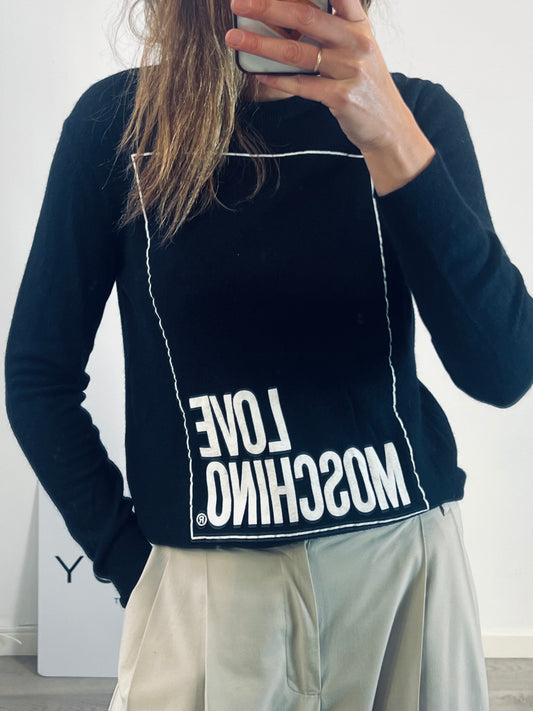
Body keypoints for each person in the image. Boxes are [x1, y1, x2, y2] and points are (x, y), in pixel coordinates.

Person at [5, 0, 533, 709]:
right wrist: (136, 565)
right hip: (208, 597)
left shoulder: (415, 116)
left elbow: (502, 371)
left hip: (401, 576)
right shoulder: (121, 124)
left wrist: (392, 140)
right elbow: (38, 374)